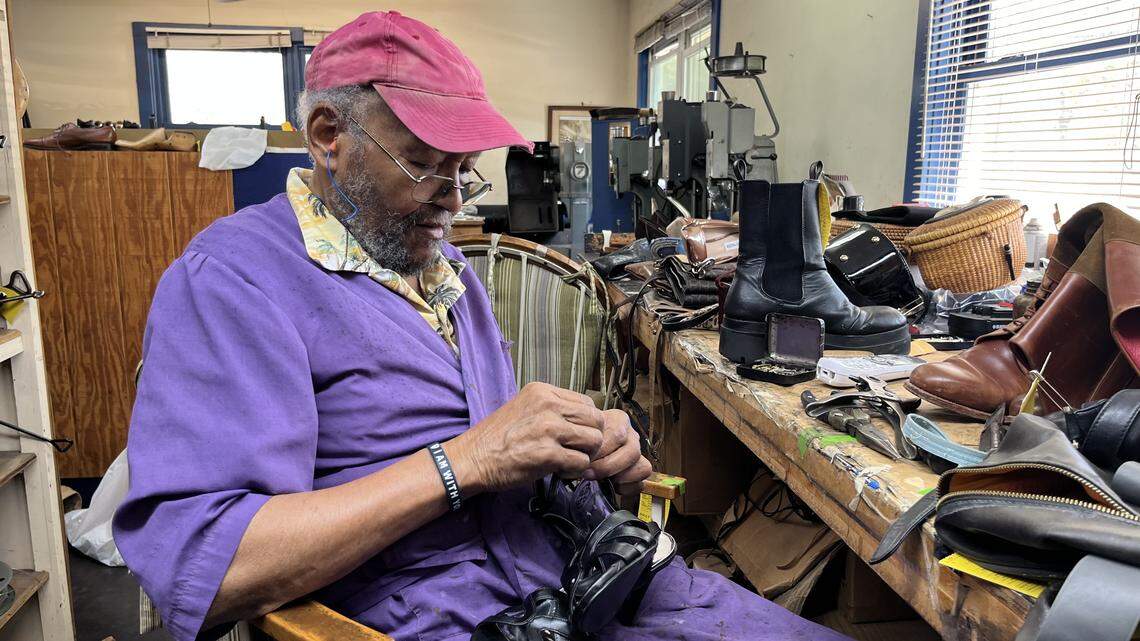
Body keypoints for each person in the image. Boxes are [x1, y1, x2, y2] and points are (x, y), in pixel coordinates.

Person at [114, 11, 851, 641]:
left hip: (579, 576)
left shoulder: (445, 273)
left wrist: (579, 450)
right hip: (439, 613)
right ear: (328, 134)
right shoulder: (236, 282)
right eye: (427, 164)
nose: (454, 200)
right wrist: (464, 460)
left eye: (466, 170)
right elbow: (207, 563)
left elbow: (497, 448)